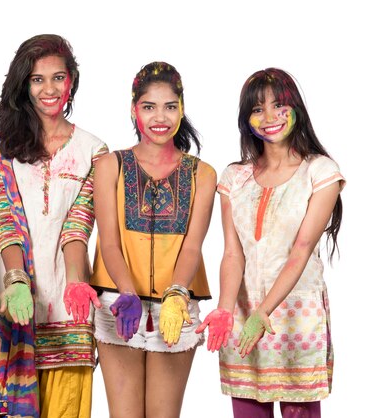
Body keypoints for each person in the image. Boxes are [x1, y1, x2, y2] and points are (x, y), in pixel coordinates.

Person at [195, 68, 345, 418]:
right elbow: (232, 253)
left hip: (296, 315)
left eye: (279, 105)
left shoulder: (320, 172)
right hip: (243, 315)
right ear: (246, 119)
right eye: (257, 109)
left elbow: (302, 249)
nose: (270, 117)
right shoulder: (235, 177)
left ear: (296, 109)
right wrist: (225, 308)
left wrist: (265, 312)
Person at [0, 34, 107, 418]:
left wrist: (78, 282)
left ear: (72, 81)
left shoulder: (93, 150)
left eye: (58, 78)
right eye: (37, 79)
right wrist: (15, 280)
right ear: (23, 85)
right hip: (9, 310)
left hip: (69, 312)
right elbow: (1, 218)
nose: (50, 89)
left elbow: (78, 226)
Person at [90, 62, 216, 418]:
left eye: (170, 106)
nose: (160, 117)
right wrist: (127, 291)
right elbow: (109, 242)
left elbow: (193, 245)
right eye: (149, 106)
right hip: (119, 300)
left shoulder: (202, 174)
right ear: (134, 110)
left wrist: (177, 293)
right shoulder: (110, 165)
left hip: (174, 303)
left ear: (181, 109)